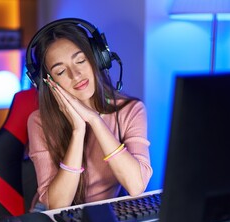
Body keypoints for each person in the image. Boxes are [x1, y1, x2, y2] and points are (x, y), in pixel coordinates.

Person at [27, 19, 152, 211]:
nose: (75, 74)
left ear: (97, 58)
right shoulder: (39, 121)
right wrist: (78, 130)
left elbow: (136, 186)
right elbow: (56, 205)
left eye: (81, 60)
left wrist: (95, 120)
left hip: (103, 213)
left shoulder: (131, 110)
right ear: (48, 83)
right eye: (60, 71)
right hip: (52, 215)